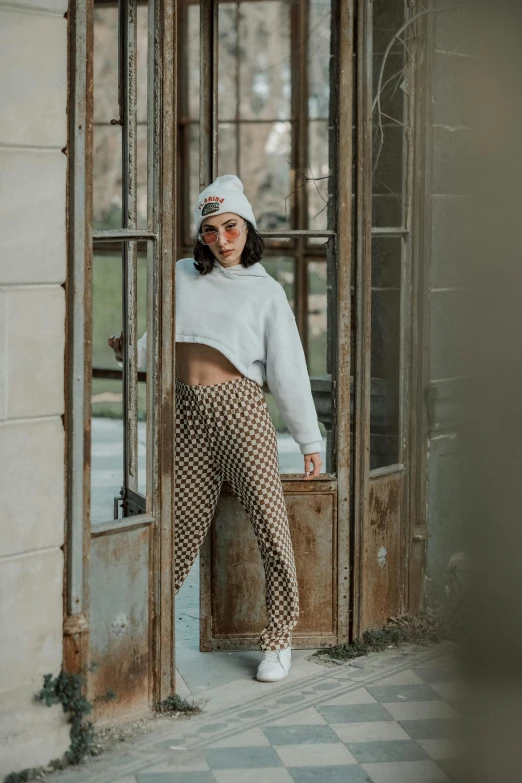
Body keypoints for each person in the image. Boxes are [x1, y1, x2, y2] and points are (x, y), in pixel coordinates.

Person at [109, 174, 323, 683]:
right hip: (185, 411)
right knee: (177, 531)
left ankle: (278, 639)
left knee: (269, 526)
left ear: (247, 227)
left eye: (231, 227)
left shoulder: (267, 293)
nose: (222, 240)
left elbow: (288, 372)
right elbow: (163, 336)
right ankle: (143, 633)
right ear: (200, 235)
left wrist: (310, 441)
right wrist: (130, 351)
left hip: (241, 412)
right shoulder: (183, 273)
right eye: (210, 230)